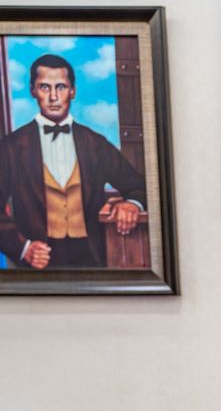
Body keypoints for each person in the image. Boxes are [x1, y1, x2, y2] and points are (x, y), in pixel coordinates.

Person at [0, 53, 145, 269]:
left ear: (73, 91)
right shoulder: (12, 146)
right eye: (44, 87)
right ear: (33, 91)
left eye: (60, 87)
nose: (53, 97)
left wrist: (132, 204)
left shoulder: (94, 143)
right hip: (38, 262)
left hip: (92, 256)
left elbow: (138, 185)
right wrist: (23, 247)